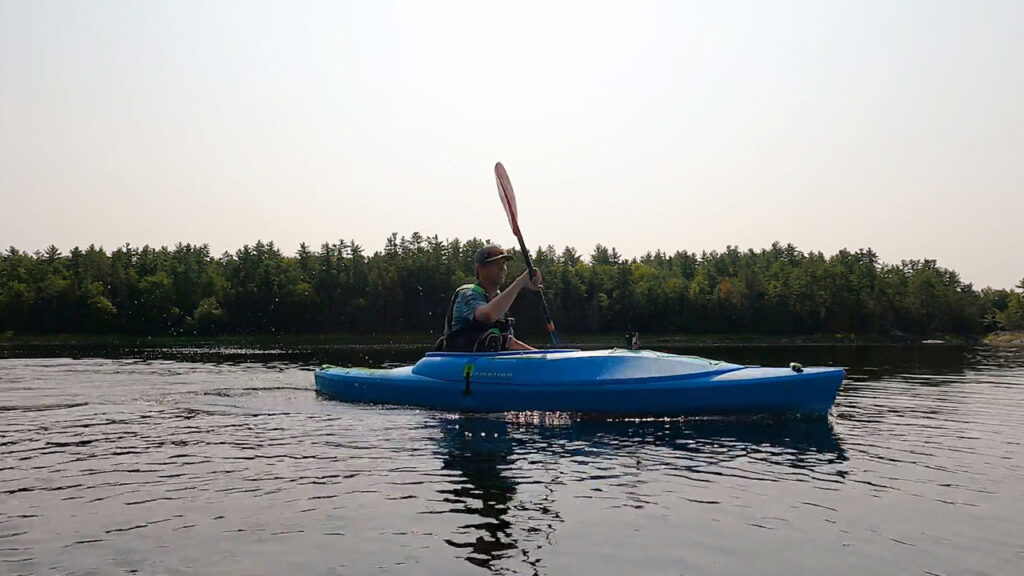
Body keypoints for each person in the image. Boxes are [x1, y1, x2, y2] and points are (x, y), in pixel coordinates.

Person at [437, 244, 543, 352]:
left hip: (489, 364)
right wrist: (520, 283)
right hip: (460, 360)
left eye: (503, 263)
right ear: (479, 269)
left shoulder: (498, 299)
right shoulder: (468, 293)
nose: (502, 268)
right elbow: (488, 315)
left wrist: (542, 356)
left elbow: (509, 341)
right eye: (495, 264)